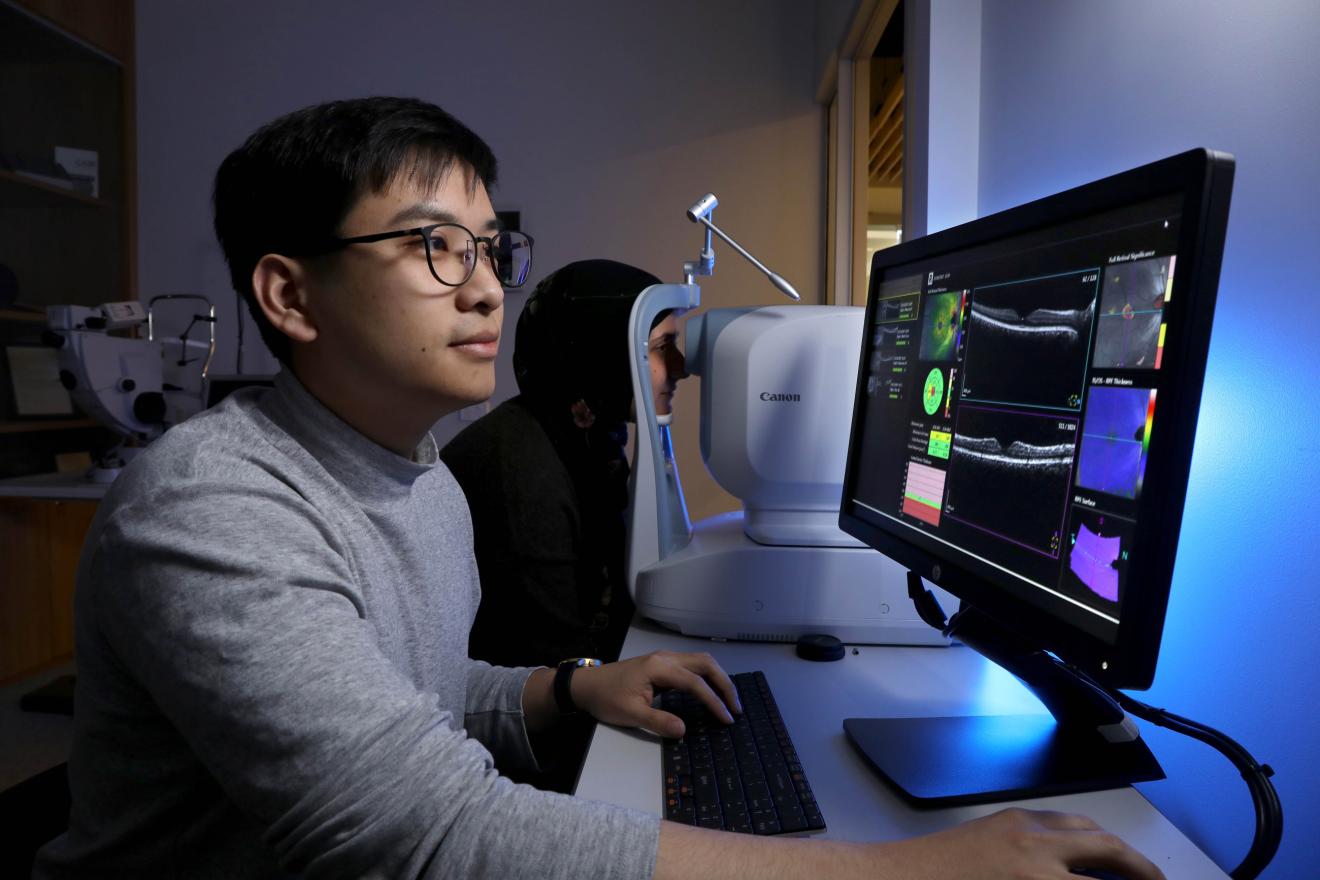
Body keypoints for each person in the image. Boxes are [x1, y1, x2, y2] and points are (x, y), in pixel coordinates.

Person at [35, 96, 1164, 880]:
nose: (484, 293)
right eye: (434, 247)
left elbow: (410, 694)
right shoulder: (213, 510)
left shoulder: (417, 476)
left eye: (490, 250)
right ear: (289, 293)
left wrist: (569, 691)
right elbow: (426, 841)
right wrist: (898, 870)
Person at [441, 259, 684, 793]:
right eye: (661, 347)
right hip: (514, 763)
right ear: (604, 355)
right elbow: (549, 663)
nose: (682, 367)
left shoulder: (588, 444)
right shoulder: (522, 469)